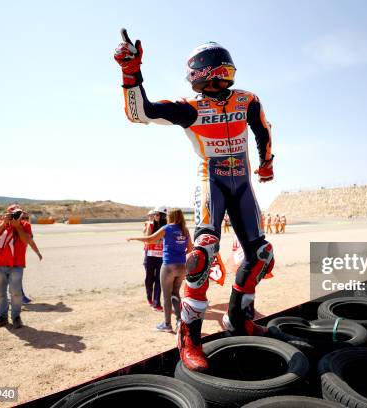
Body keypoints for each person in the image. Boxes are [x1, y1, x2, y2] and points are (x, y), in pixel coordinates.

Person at [115, 31, 275, 371]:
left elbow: (262, 129)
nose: (220, 79)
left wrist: (266, 162)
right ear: (198, 75)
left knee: (262, 254)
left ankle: (239, 317)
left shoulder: (247, 100)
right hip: (212, 180)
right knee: (201, 255)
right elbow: (138, 114)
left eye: (225, 72)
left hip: (243, 184)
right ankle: (189, 337)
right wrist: (131, 73)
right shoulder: (191, 108)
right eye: (215, 72)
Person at [128, 209, 193, 333]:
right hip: (182, 266)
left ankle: (167, 324)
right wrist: (180, 255)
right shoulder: (185, 230)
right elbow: (190, 248)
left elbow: (150, 239)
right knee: (175, 293)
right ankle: (179, 321)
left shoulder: (167, 228)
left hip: (169, 266)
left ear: (172, 216)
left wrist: (134, 237)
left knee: (166, 296)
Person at [0, 205, 33, 330]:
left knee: (16, 293)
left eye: (18, 214)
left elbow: (26, 241)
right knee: (0, 293)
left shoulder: (25, 225)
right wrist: (4, 224)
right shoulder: (2, 223)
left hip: (17, 264)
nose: (16, 216)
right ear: (7, 213)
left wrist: (18, 226)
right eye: (12, 213)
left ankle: (16, 317)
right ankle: (2, 318)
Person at [143, 208, 166, 311]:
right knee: (149, 279)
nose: (155, 216)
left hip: (162, 257)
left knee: (159, 280)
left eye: (157, 215)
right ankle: (149, 297)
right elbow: (147, 239)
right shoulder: (150, 225)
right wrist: (149, 224)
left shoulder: (166, 227)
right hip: (150, 256)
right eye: (154, 214)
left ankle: (157, 303)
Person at [19, 212, 42, 305]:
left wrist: (38, 253)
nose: (25, 219)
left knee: (11, 278)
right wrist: (38, 253)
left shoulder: (14, 226)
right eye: (23, 217)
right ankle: (21, 297)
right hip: (17, 258)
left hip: (13, 257)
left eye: (26, 217)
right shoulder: (24, 226)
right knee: (17, 278)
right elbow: (31, 242)